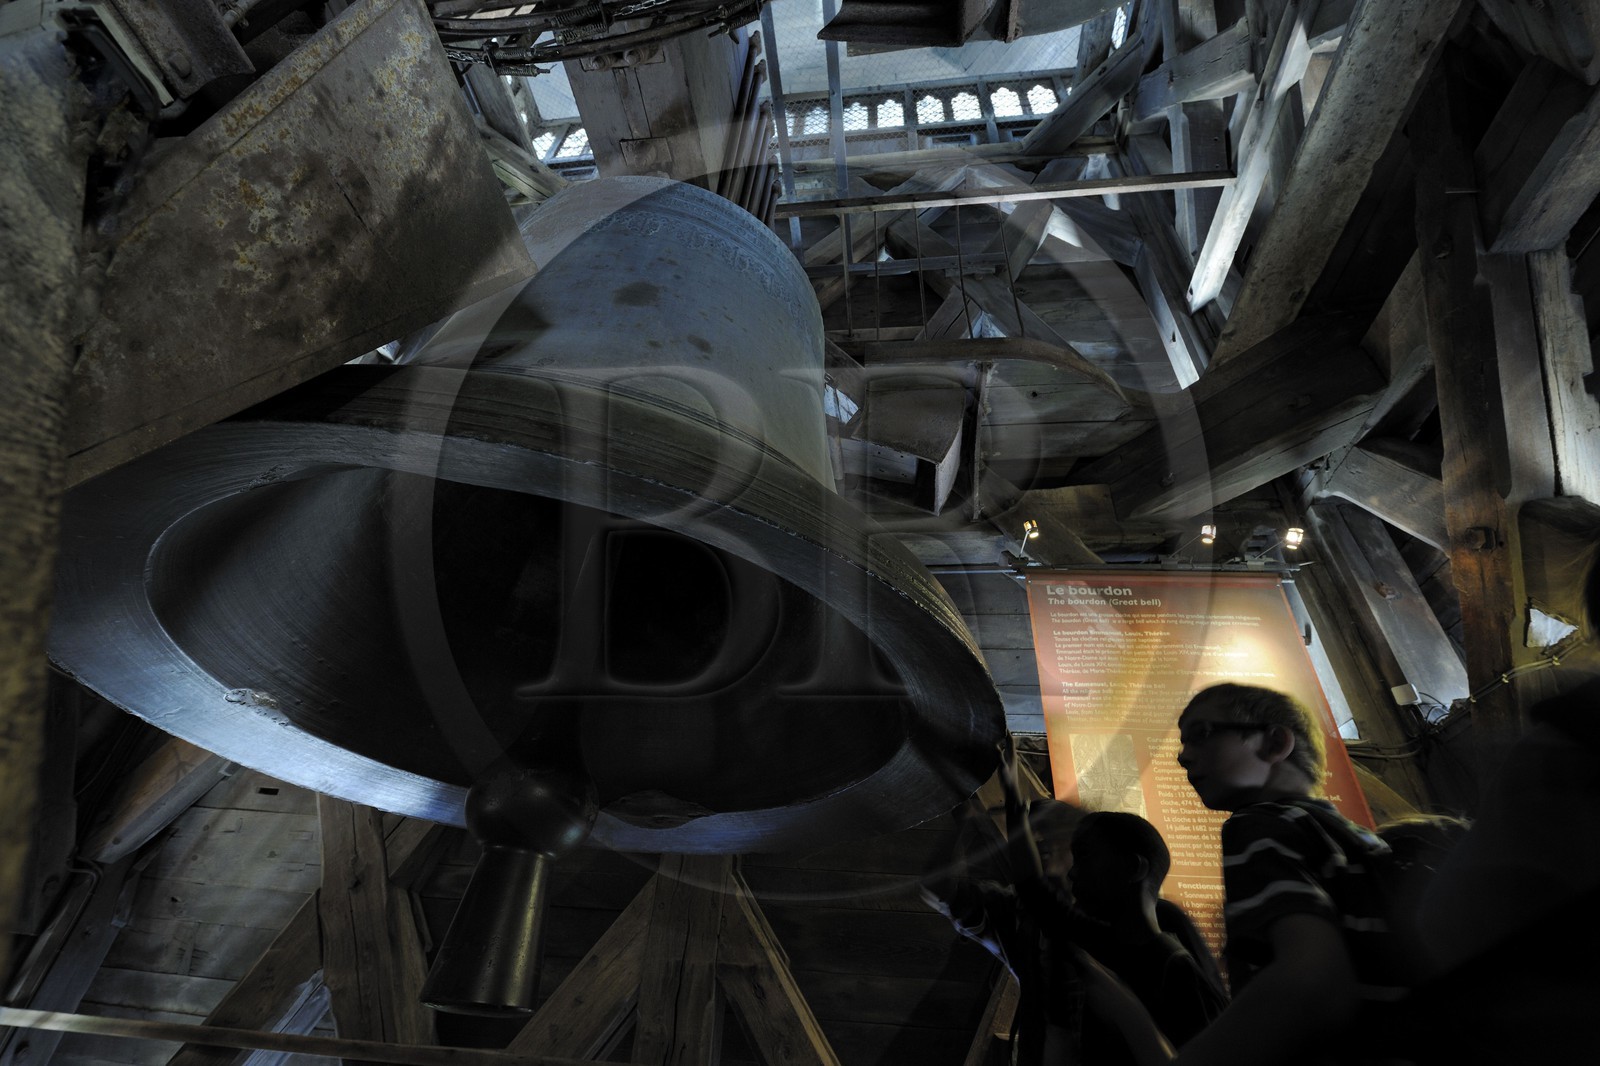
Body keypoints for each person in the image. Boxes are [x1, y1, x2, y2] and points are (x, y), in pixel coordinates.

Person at [1088, 683, 1394, 1066]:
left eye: (1202, 734)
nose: (1183, 758)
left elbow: (1310, 978)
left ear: (1274, 743)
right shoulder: (1349, 835)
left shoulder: (1258, 826)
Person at [922, 742, 1223, 1065]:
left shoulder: (1168, 956)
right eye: (1030, 833)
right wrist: (1008, 799)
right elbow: (1029, 888)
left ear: (1130, 868)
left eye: (1082, 852)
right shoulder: (1051, 923)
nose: (1039, 843)